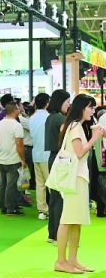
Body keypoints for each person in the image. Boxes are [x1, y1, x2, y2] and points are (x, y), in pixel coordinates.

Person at [54, 94, 104, 274]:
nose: (93, 111)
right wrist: (95, 137)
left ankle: (73, 259)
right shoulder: (75, 127)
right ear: (81, 108)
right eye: (90, 107)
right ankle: (61, 261)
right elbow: (80, 153)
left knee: (76, 221)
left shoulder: (76, 126)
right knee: (68, 220)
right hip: (74, 179)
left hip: (79, 178)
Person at [45, 89, 71, 243]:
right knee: (61, 198)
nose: (69, 104)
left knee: (55, 197)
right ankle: (58, 235)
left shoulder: (51, 117)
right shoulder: (60, 119)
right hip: (61, 159)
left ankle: (52, 233)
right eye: (67, 101)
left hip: (53, 158)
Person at [0, 102, 26, 215]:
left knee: (2, 183)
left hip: (2, 158)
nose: (19, 110)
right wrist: (23, 159)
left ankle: (1, 204)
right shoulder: (16, 125)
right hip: (14, 158)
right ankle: (10, 208)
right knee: (11, 185)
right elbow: (19, 144)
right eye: (17, 108)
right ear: (14, 110)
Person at [29, 93, 51, 220]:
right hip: (47, 154)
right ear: (47, 103)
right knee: (51, 183)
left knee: (40, 184)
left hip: (36, 153)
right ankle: (54, 209)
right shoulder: (49, 117)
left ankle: (42, 211)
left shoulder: (32, 118)